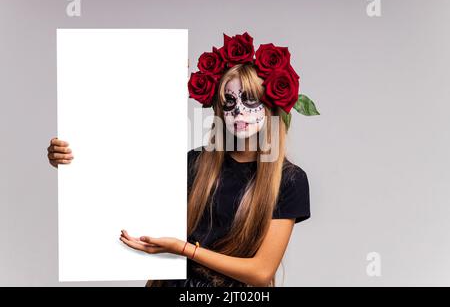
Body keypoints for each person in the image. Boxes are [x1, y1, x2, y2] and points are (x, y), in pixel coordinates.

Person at [47, 32, 318, 287]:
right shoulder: (196, 163)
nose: (238, 111)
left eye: (249, 100)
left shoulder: (289, 180)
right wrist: (71, 157)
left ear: (270, 105)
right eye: (228, 101)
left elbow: (261, 273)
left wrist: (184, 249)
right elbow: (125, 174)